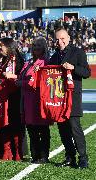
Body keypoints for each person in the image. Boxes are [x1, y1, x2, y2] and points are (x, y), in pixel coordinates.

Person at [50, 28, 91, 169]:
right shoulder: (54, 55)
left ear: (68, 38)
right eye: (57, 39)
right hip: (58, 98)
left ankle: (83, 158)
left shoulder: (78, 52)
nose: (59, 41)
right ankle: (70, 157)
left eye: (62, 38)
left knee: (75, 128)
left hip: (72, 97)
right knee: (63, 129)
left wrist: (73, 68)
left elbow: (86, 72)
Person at [19, 37, 52, 163]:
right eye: (34, 45)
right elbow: (22, 77)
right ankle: (35, 155)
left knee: (42, 130)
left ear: (44, 47)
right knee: (31, 129)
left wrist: (20, 82)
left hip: (40, 100)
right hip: (27, 101)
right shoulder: (28, 63)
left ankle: (44, 156)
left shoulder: (46, 62)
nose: (36, 47)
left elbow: (41, 81)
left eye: (39, 45)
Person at [0, 38, 25, 161]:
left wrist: (12, 76)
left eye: (2, 46)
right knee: (2, 123)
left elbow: (23, 77)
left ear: (10, 46)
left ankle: (18, 152)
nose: (0, 48)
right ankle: (6, 151)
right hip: (0, 96)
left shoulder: (19, 60)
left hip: (15, 96)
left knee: (16, 123)